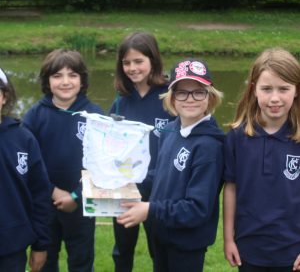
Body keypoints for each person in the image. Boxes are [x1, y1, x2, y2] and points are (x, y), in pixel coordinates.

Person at [117, 58, 225, 272]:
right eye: (182, 92)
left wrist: (150, 209)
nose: (190, 99)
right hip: (161, 234)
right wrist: (125, 183)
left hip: (186, 244)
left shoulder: (209, 147)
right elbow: (159, 176)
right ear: (172, 98)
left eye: (198, 92)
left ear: (210, 96)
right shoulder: (169, 130)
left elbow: (197, 208)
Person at [22, 49, 104, 272]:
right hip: (44, 203)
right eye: (57, 75)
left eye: (72, 75)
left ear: (82, 79)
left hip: (81, 203)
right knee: (45, 260)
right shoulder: (34, 116)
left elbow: (102, 165)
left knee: (81, 260)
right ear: (47, 81)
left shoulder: (96, 116)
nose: (65, 82)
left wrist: (75, 195)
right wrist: (53, 191)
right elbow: (26, 164)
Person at [223, 48, 300, 272]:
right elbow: (231, 188)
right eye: (266, 89)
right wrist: (229, 238)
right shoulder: (237, 137)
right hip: (249, 249)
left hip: (292, 252)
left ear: (296, 91)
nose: (274, 98)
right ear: (253, 89)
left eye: (284, 89)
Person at [109, 32, 174, 272]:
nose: (132, 68)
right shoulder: (121, 100)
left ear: (153, 60)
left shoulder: (170, 95)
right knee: (122, 247)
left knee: (159, 247)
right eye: (127, 62)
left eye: (139, 61)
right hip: (126, 187)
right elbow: (109, 140)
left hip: (160, 189)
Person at [0, 68, 51, 272]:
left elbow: (40, 194)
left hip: (11, 247)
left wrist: (41, 244)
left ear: (4, 96)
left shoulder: (23, 139)